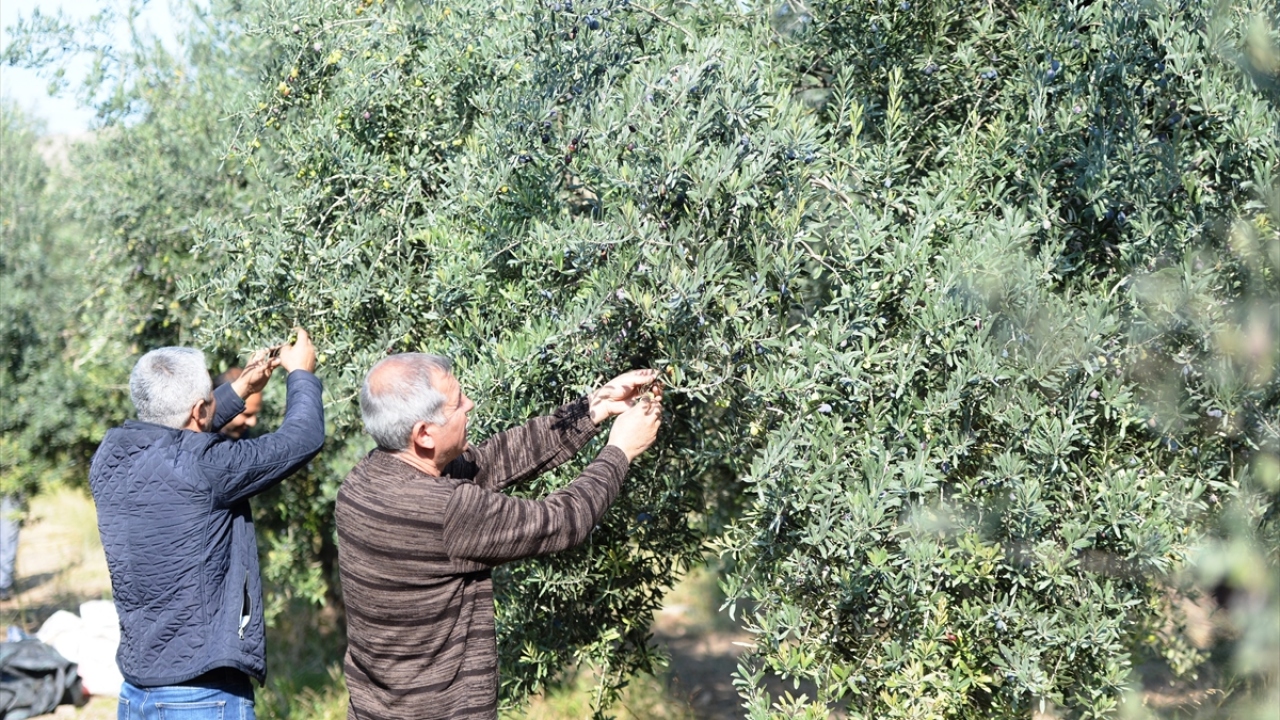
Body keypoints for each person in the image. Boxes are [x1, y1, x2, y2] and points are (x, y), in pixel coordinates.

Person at [336, 354, 663, 720]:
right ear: (424, 434)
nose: (469, 405)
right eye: (459, 402)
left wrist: (593, 408)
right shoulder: (444, 510)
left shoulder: (362, 481)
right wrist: (620, 451)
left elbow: (498, 459)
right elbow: (563, 521)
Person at [89, 329, 324, 720]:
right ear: (200, 410)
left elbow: (177, 437)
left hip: (136, 692)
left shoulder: (110, 457)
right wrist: (302, 374)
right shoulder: (208, 467)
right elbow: (302, 438)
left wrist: (241, 387)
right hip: (202, 696)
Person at [212, 366, 265, 439]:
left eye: (255, 414)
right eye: (247, 415)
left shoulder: (244, 437)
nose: (253, 422)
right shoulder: (197, 439)